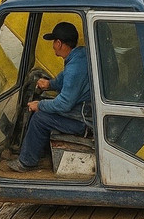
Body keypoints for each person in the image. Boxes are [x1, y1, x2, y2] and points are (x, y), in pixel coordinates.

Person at [8, 22, 92, 173]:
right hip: (83, 111)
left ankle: (27, 162)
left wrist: (39, 105)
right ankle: (38, 152)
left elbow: (65, 104)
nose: (53, 46)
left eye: (54, 42)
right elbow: (66, 79)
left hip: (83, 121)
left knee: (40, 118)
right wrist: (50, 84)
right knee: (45, 107)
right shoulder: (80, 55)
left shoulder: (74, 68)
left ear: (59, 43)